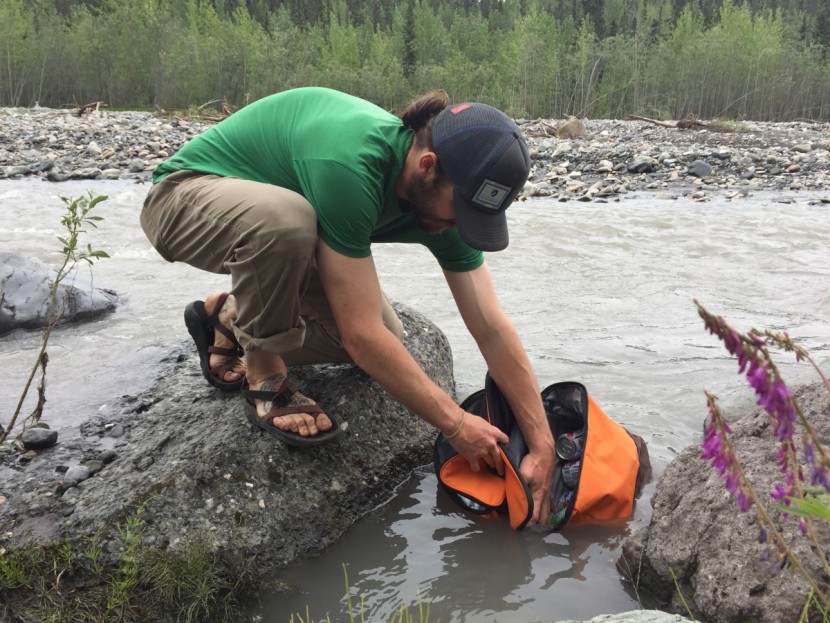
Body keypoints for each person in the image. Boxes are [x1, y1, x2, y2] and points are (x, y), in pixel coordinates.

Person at [140, 86, 555, 525]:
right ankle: (264, 371)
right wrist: (455, 425)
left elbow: (490, 325)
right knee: (287, 222)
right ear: (427, 166)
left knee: (390, 340)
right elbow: (363, 337)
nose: (462, 226)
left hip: (285, 225)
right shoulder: (351, 165)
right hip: (185, 196)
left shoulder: (448, 197)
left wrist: (542, 442)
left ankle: (226, 318)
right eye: (463, 211)